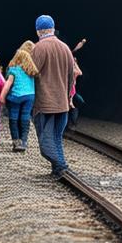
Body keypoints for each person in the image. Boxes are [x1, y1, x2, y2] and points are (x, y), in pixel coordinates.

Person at [30, 14, 76, 177]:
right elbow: (71, 76)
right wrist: (69, 98)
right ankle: (58, 170)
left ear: (38, 31)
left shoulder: (38, 48)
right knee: (56, 138)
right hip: (62, 102)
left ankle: (62, 167)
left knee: (45, 141)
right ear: (52, 29)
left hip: (45, 103)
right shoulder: (65, 48)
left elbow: (31, 74)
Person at [0, 41, 38, 152]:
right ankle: (24, 142)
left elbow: (8, 84)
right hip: (30, 96)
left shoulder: (14, 69)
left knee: (13, 117)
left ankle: (16, 142)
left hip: (16, 96)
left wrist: (2, 97)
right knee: (25, 117)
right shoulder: (31, 71)